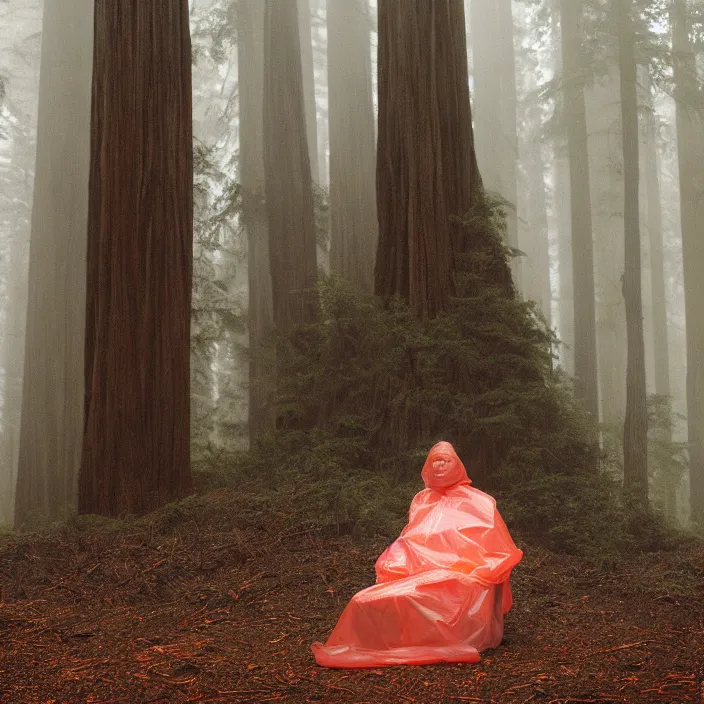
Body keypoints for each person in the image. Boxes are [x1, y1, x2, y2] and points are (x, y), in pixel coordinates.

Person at [311, 441, 523, 668]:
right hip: (421, 574)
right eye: (435, 460)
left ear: (457, 465)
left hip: (462, 576)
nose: (440, 465)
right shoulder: (421, 500)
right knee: (361, 600)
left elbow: (496, 549)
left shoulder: (479, 502)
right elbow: (411, 540)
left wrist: (476, 569)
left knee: (443, 587)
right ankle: (389, 637)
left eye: (446, 460)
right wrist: (393, 561)